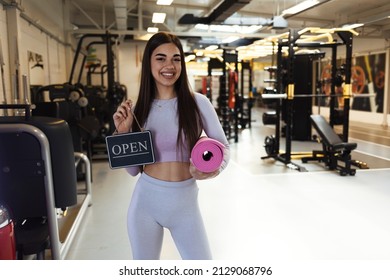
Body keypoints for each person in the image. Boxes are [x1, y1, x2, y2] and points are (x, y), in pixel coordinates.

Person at [112, 32, 230, 260]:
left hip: (185, 204)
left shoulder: (198, 103)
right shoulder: (137, 109)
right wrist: (123, 133)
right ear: (149, 63)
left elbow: (223, 148)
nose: (169, 65)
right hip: (145, 204)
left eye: (176, 59)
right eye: (161, 58)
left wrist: (212, 171)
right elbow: (133, 170)